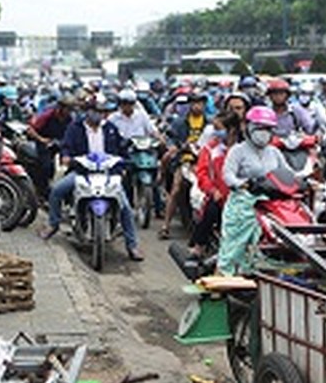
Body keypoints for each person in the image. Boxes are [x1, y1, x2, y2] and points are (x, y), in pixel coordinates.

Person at [38, 97, 143, 261]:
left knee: (126, 208)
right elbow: (66, 145)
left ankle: (132, 245)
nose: (99, 115)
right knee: (57, 191)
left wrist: (126, 161)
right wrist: (66, 156)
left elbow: (121, 148)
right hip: (82, 172)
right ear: (87, 111)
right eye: (95, 111)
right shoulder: (75, 127)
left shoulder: (110, 128)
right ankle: (53, 223)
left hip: (108, 174)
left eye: (102, 112)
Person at [217, 106, 296, 275]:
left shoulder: (274, 152)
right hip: (243, 202)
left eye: (268, 129)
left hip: (269, 202)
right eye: (260, 128)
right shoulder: (238, 151)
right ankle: (222, 278)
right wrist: (241, 184)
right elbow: (228, 175)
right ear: (249, 127)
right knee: (233, 245)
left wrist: (302, 181)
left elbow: (288, 172)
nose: (264, 133)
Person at [187, 111, 241, 257]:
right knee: (210, 211)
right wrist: (212, 190)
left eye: (219, 128)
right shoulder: (210, 149)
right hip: (219, 195)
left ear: (232, 129)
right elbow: (202, 174)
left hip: (241, 195)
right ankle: (199, 246)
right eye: (216, 128)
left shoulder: (244, 148)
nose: (216, 132)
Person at [159, 91, 209, 238]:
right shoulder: (179, 122)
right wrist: (176, 147)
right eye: (194, 103)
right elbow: (170, 138)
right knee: (176, 189)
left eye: (200, 103)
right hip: (185, 160)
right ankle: (165, 226)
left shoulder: (210, 123)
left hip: (204, 161)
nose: (197, 106)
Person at [28, 94, 78, 198]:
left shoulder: (70, 119)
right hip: (44, 142)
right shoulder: (47, 115)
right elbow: (31, 130)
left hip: (60, 142)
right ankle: (42, 192)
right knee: (45, 166)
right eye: (67, 108)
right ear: (61, 107)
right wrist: (42, 140)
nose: (69, 111)